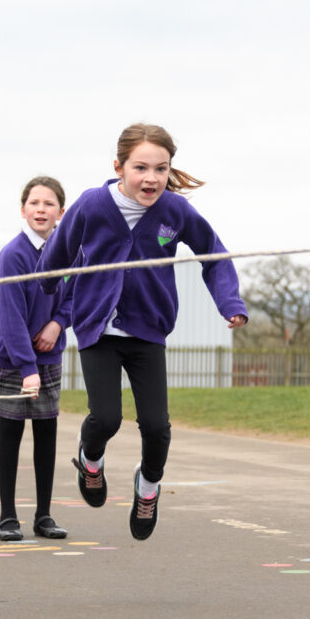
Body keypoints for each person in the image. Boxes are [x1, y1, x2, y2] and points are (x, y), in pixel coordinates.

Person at [36, 124, 248, 541]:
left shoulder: (175, 211)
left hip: (147, 329)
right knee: (107, 418)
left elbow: (214, 256)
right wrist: (43, 286)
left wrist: (231, 303)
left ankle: (147, 486)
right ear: (119, 167)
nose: (151, 178)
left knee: (156, 425)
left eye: (161, 169)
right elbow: (58, 254)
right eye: (140, 168)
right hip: (98, 327)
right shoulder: (92, 205)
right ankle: (90, 459)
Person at [0, 177, 72, 541]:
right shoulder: (13, 254)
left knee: (46, 433)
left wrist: (57, 324)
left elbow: (74, 295)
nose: (40, 209)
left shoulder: (68, 253)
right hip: (13, 356)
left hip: (48, 355)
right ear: (23, 210)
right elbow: (12, 316)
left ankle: (44, 515)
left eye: (49, 204)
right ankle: (7, 517)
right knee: (11, 432)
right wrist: (26, 369)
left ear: (60, 213)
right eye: (34, 203)